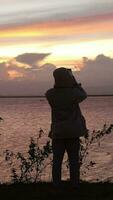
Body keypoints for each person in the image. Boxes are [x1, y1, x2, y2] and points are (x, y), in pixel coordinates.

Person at [45, 67, 87, 188]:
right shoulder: (73, 93)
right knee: (74, 160)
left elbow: (54, 91)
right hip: (72, 131)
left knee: (57, 161)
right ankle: (75, 184)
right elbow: (83, 94)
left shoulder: (50, 94)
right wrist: (74, 82)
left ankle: (56, 184)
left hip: (58, 132)